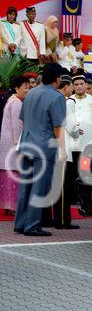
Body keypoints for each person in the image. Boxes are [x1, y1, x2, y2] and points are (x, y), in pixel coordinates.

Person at [14, 63, 67, 236]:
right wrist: (62, 149)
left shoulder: (31, 93)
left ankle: (20, 223)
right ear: (57, 78)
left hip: (27, 143)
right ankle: (32, 225)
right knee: (39, 186)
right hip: (44, 146)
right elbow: (58, 127)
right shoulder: (57, 97)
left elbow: (23, 118)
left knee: (25, 186)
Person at [51, 74, 81, 229]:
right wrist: (77, 130)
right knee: (65, 186)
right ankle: (63, 220)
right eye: (71, 86)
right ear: (67, 86)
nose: (73, 89)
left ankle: (60, 218)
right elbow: (70, 125)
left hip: (55, 145)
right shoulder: (67, 102)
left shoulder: (55, 100)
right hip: (65, 146)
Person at [68, 75, 92, 199]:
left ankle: (86, 197)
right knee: (72, 171)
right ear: (72, 87)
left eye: (81, 84)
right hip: (72, 144)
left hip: (88, 143)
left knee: (86, 171)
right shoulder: (68, 100)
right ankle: (73, 196)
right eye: (76, 84)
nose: (79, 86)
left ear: (86, 86)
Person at [0, 76, 29, 215]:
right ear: (17, 88)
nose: (27, 90)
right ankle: (12, 206)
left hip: (7, 142)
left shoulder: (11, 100)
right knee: (13, 174)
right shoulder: (17, 103)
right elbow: (17, 126)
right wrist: (19, 144)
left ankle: (7, 205)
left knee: (7, 174)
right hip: (12, 142)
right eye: (25, 87)